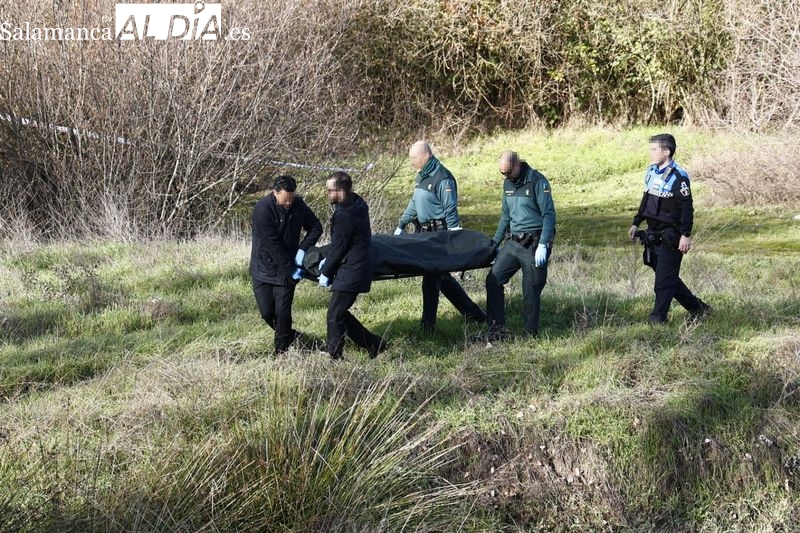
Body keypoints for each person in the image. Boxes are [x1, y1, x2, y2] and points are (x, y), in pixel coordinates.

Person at [393, 141, 486, 332]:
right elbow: (414, 202)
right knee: (441, 278)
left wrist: (454, 235)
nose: (411, 162)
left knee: (431, 279)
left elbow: (450, 208)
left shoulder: (442, 178)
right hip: (425, 233)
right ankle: (474, 314)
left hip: (439, 234)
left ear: (426, 155)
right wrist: (401, 224)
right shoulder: (422, 176)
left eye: (414, 158)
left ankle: (428, 326)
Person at [628, 134, 711, 324]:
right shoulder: (651, 172)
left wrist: (686, 235)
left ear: (666, 151)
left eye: (654, 149)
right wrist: (636, 222)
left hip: (671, 236)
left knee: (663, 283)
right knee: (668, 278)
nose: (650, 153)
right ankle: (700, 310)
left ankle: (657, 320)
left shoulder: (678, 177)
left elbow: (686, 208)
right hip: (652, 234)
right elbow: (646, 200)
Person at [478, 151, 556, 341]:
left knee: (530, 289)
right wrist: (495, 244)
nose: (506, 177)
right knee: (493, 280)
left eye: (508, 173)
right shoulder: (507, 184)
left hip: (533, 243)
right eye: (502, 174)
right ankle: (496, 329)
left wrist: (544, 244)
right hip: (513, 243)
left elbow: (549, 215)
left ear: (517, 165)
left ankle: (530, 335)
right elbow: (505, 215)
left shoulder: (537, 181)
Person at [319, 171, 388, 360]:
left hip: (352, 270)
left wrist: (325, 271)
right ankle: (375, 344)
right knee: (340, 313)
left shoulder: (344, 216)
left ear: (340, 191)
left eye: (329, 191)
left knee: (334, 314)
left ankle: (335, 356)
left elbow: (338, 247)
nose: (328, 194)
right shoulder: (358, 203)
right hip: (358, 267)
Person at [249, 175, 322, 354]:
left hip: (287, 272)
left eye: (291, 198)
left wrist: (303, 249)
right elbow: (272, 245)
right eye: (285, 200)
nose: (289, 203)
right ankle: (292, 337)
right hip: (263, 268)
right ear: (275, 193)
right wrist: (292, 270)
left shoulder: (298, 204)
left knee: (282, 313)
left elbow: (316, 227)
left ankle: (281, 352)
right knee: (267, 313)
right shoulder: (262, 210)